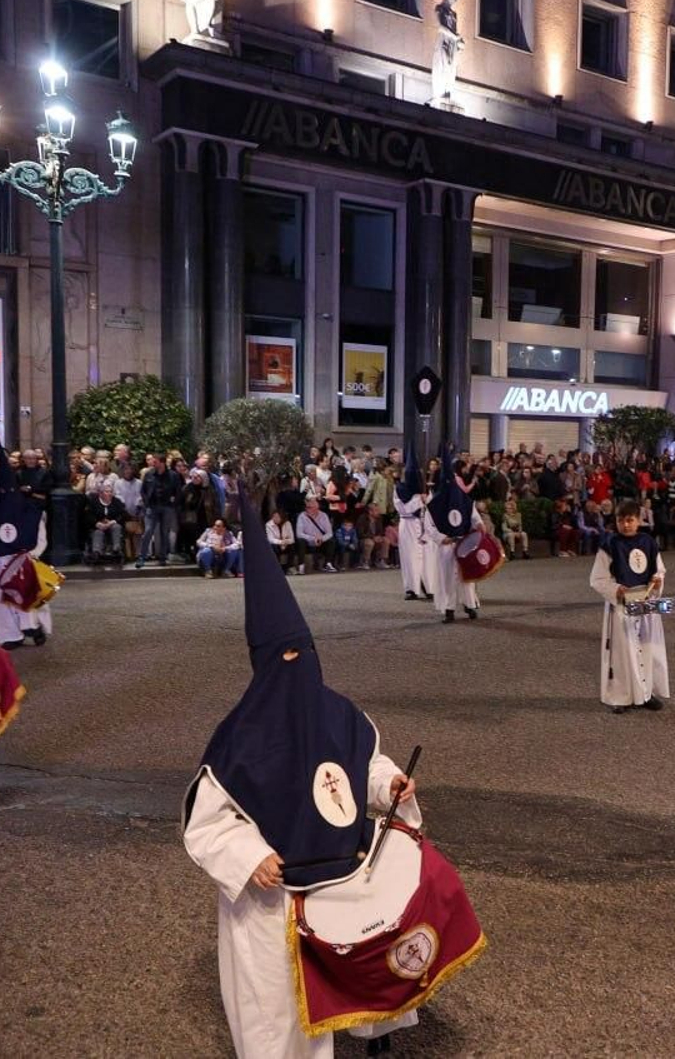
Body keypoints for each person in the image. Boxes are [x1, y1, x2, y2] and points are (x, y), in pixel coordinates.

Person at [182, 489, 442, 1058]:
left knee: (372, 944)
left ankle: (376, 1025)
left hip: (341, 866)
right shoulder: (237, 740)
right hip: (273, 893)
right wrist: (250, 857)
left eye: (305, 653)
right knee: (278, 1009)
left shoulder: (337, 711)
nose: (299, 669)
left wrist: (388, 783)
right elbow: (208, 824)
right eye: (286, 660)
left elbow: (363, 762)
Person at [589, 499, 669, 715]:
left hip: (645, 603)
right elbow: (597, 579)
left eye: (630, 520)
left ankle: (645, 693)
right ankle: (621, 696)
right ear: (616, 521)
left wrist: (657, 581)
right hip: (622, 606)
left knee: (647, 649)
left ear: (638, 520)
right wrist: (616, 589)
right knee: (623, 653)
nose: (626, 525)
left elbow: (659, 570)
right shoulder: (609, 545)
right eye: (621, 520)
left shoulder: (648, 542)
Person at [0, 444, 53, 650]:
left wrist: (32, 555)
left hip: (22, 560)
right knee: (0, 600)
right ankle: (9, 635)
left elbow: (41, 538)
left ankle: (33, 627)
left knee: (27, 595)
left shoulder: (30, 513)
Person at [427, 448, 482, 623]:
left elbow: (474, 516)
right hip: (446, 544)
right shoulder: (434, 505)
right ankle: (449, 609)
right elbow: (429, 526)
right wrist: (442, 538)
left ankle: (470, 605)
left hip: (464, 542)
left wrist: (479, 525)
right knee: (447, 577)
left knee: (467, 575)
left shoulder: (465, 500)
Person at [392, 444, 435, 602]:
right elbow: (404, 509)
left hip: (424, 524)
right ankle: (412, 589)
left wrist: (426, 498)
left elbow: (431, 504)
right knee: (410, 557)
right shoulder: (399, 489)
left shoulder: (423, 489)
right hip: (408, 524)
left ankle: (429, 587)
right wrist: (419, 500)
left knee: (427, 557)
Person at [296, 496, 338, 575]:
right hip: (308, 542)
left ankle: (327, 564)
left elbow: (329, 533)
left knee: (331, 540)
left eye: (311, 507)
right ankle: (301, 566)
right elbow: (299, 534)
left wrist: (321, 539)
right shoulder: (302, 516)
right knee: (300, 541)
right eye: (308, 507)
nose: (308, 509)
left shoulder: (324, 516)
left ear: (317, 507)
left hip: (321, 541)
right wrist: (313, 538)